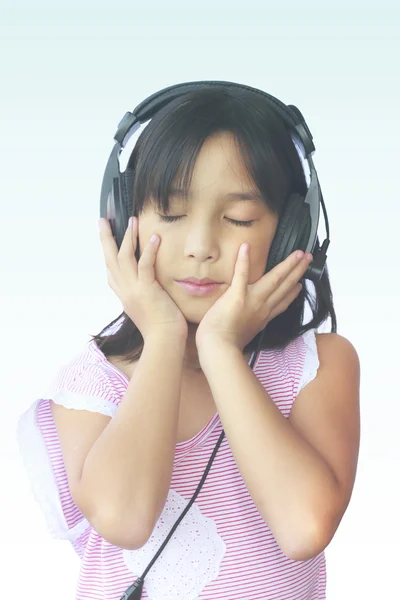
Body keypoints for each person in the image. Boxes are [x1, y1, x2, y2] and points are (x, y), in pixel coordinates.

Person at [17, 85, 360, 600]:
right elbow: (125, 518)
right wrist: (162, 337)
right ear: (123, 218)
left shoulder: (316, 366)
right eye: (172, 214)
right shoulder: (93, 383)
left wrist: (222, 351)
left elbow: (303, 528)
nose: (200, 247)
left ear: (292, 231)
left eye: (239, 219)